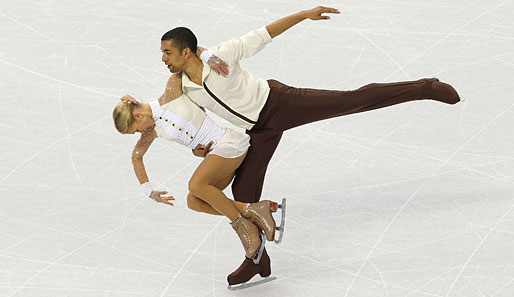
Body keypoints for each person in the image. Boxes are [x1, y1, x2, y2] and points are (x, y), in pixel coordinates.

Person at [159, 5, 462, 285]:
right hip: (257, 131)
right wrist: (199, 146)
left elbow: (265, 33)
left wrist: (304, 14)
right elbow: (194, 123)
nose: (163, 59)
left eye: (168, 52)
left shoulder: (222, 54)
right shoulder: (185, 88)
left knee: (350, 100)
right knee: (244, 195)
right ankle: (257, 261)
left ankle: (425, 87)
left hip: (280, 103)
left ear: (186, 52)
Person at [111, 71, 280, 260]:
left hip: (229, 143)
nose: (139, 133)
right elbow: (136, 157)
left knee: (195, 185)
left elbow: (186, 60)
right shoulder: (151, 131)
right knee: (194, 201)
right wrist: (149, 191)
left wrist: (208, 56)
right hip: (218, 156)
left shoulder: (171, 93)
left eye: (136, 130)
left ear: (138, 115)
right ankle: (253, 209)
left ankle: (246, 230)